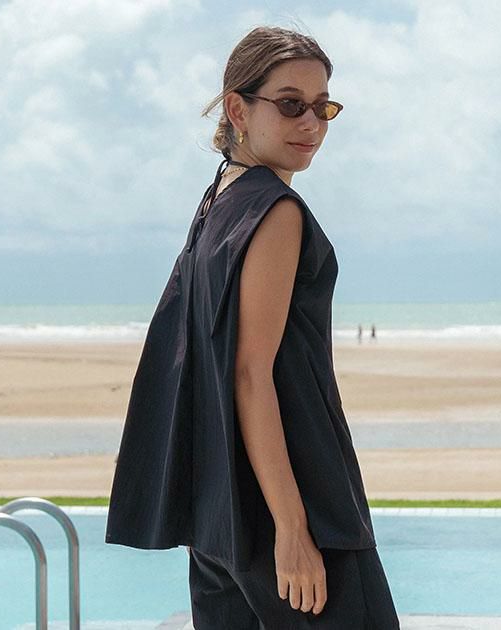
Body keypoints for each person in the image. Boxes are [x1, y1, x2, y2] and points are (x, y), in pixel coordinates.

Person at [105, 25, 400, 629]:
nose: (311, 123)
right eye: (290, 104)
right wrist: (292, 528)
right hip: (290, 502)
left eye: (323, 108)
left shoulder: (218, 200)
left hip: (221, 514)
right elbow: (248, 373)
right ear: (238, 109)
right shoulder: (276, 210)